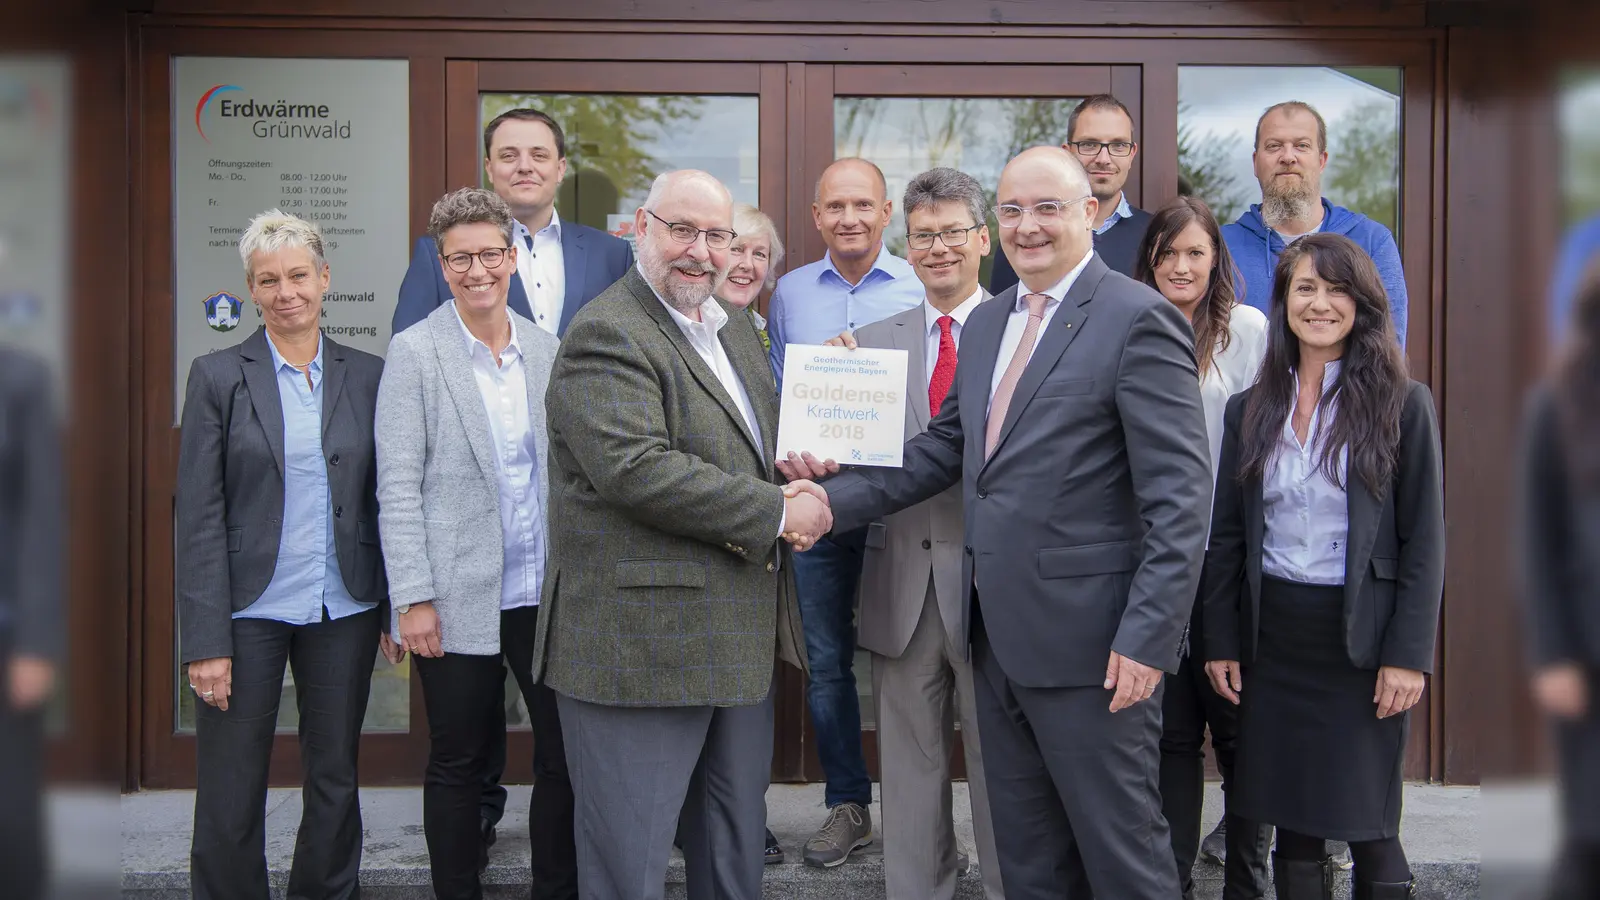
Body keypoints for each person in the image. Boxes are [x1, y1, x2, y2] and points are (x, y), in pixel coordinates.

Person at [783, 145, 1214, 900]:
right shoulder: (991, 326)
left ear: (1089, 213)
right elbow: (939, 451)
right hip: (997, 643)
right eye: (1013, 209)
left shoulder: (1136, 319)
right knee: (1028, 856)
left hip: (1098, 655)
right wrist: (827, 502)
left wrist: (1148, 637)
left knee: (1121, 857)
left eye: (1048, 207)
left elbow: (1181, 502)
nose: (1028, 226)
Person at [532, 169, 819, 900]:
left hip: (735, 639)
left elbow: (748, 445)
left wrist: (803, 459)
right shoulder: (607, 330)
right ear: (640, 228)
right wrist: (779, 513)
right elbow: (636, 469)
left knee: (732, 856)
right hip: (640, 647)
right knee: (629, 865)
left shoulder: (735, 331)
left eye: (716, 235)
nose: (700, 251)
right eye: (681, 230)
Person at [1201, 233, 1444, 900]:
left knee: (1369, 823)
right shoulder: (1249, 408)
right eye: (1305, 288)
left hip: (1362, 645)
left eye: (1336, 289)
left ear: (1362, 304)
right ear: (1283, 304)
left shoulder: (1403, 405)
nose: (1319, 303)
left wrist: (1408, 655)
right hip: (1274, 642)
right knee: (1296, 821)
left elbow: (1425, 543)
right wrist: (1221, 638)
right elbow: (1227, 536)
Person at [177, 209, 388, 900]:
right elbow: (200, 513)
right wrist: (205, 640)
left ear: (325, 279)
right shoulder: (216, 376)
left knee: (334, 774)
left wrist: (397, 600)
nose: (285, 291)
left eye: (298, 274)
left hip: (344, 603)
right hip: (247, 610)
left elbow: (387, 497)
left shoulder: (368, 374)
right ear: (251, 289)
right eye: (268, 280)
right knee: (232, 780)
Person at [375, 187, 573, 900]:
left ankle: (558, 889)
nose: (478, 270)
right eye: (461, 258)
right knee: (459, 759)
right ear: (442, 263)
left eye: (491, 253)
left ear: (513, 257)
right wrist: (413, 597)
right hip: (454, 595)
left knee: (562, 757)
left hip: (544, 592)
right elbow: (396, 484)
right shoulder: (415, 353)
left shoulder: (550, 351)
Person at [823, 166, 1006, 900]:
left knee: (1004, 780)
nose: (938, 249)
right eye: (923, 236)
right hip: (899, 583)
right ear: (908, 243)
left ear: (982, 240)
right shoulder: (862, 347)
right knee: (908, 776)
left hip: (995, 593)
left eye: (953, 234)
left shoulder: (1023, 330)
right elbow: (847, 468)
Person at [764, 157, 925, 866]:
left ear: (887, 213)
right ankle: (847, 802)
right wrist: (791, 459)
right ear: (815, 216)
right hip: (820, 502)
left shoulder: (923, 283)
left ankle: (919, 806)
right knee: (827, 661)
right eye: (836, 207)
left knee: (911, 654)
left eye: (864, 205)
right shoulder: (792, 294)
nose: (850, 218)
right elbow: (775, 391)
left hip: (907, 499)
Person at [1134, 196, 1271, 900]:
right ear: (1149, 259)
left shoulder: (1245, 330)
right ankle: (1173, 881)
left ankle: (1248, 880)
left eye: (1196, 252)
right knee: (1172, 736)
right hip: (1155, 553)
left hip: (1229, 555)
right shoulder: (1127, 323)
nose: (1181, 266)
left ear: (1217, 259)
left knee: (1243, 730)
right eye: (1168, 252)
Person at [1518, 259, 1600, 900]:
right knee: (1590, 832)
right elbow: (1538, 539)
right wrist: (1552, 654)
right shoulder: (1562, 400)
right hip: (1588, 652)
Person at [715, 200, 788, 867]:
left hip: (764, 543)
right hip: (706, 537)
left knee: (749, 694)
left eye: (759, 254)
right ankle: (709, 820)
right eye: (734, 247)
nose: (745, 263)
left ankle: (743, 820)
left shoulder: (769, 337)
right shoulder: (682, 334)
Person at [1221, 101, 1409, 348]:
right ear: (1256, 162)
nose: (1288, 157)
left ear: (1322, 160)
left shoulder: (1371, 241)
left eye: (1302, 146)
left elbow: (1387, 346)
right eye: (1274, 146)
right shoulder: (1222, 246)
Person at [0, 346, 63, 900]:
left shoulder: (21, 378)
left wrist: (37, 643)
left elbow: (42, 516)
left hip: (8, 634)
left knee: (10, 808)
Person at [989, 93, 1152, 291]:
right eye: (1089, 144)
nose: (1103, 158)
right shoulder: (1027, 236)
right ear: (1068, 152)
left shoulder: (1156, 236)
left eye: (1118, 145)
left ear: (1132, 153)